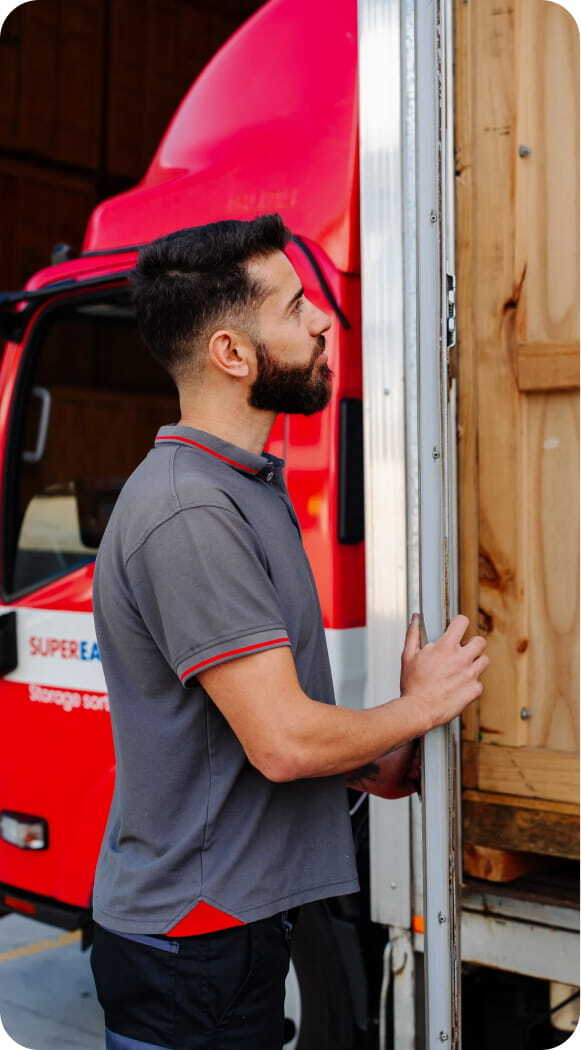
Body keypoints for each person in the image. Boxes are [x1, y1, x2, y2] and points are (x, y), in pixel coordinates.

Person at [89, 214, 488, 1050]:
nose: (320, 322)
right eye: (296, 306)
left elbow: (246, 736)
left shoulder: (242, 488)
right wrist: (420, 706)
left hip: (226, 926)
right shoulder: (189, 510)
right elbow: (279, 742)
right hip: (193, 942)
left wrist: (372, 760)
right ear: (232, 353)